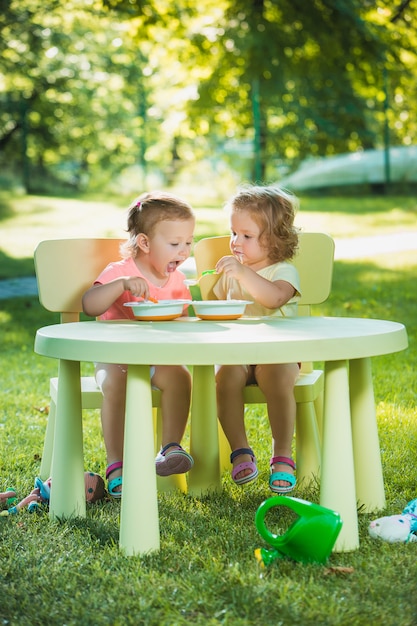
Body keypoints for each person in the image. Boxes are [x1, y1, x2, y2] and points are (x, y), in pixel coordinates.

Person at [82, 191, 195, 498]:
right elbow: (90, 305)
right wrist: (119, 287)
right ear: (145, 243)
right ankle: (116, 464)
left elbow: (181, 322)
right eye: (175, 244)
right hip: (115, 358)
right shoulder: (119, 272)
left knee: (180, 378)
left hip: (156, 358)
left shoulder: (179, 281)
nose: (183, 251)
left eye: (188, 242)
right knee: (116, 386)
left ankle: (169, 448)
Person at [213, 184, 301, 494]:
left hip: (279, 355)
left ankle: (282, 456)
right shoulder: (234, 273)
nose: (235, 242)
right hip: (239, 352)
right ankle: (241, 451)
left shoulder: (284, 272)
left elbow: (272, 299)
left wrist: (242, 274)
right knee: (223, 377)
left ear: (275, 239)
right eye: (233, 233)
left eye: (246, 236)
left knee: (276, 379)